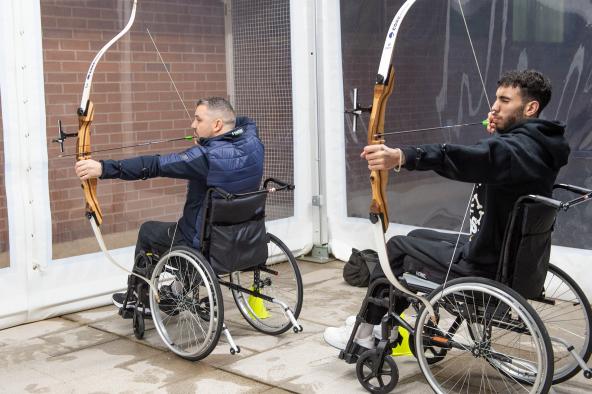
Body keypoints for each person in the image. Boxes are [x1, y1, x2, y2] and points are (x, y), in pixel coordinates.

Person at [324, 69, 571, 350]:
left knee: (398, 247)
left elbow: (465, 157)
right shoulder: (540, 145)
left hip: (485, 264)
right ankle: (400, 320)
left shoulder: (513, 151)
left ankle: (365, 333)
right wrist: (502, 135)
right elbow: (497, 157)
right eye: (496, 99)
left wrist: (403, 157)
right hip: (508, 256)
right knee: (418, 235)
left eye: (504, 100)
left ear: (530, 107)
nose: (494, 107)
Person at [75, 97, 265, 310]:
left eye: (198, 119)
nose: (192, 125)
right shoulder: (253, 141)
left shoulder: (205, 158)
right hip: (243, 242)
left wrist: (103, 168)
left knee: (148, 231)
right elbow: (239, 124)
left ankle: (141, 300)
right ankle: (178, 290)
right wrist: (210, 139)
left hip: (204, 247)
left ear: (217, 125)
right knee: (193, 230)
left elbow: (155, 165)